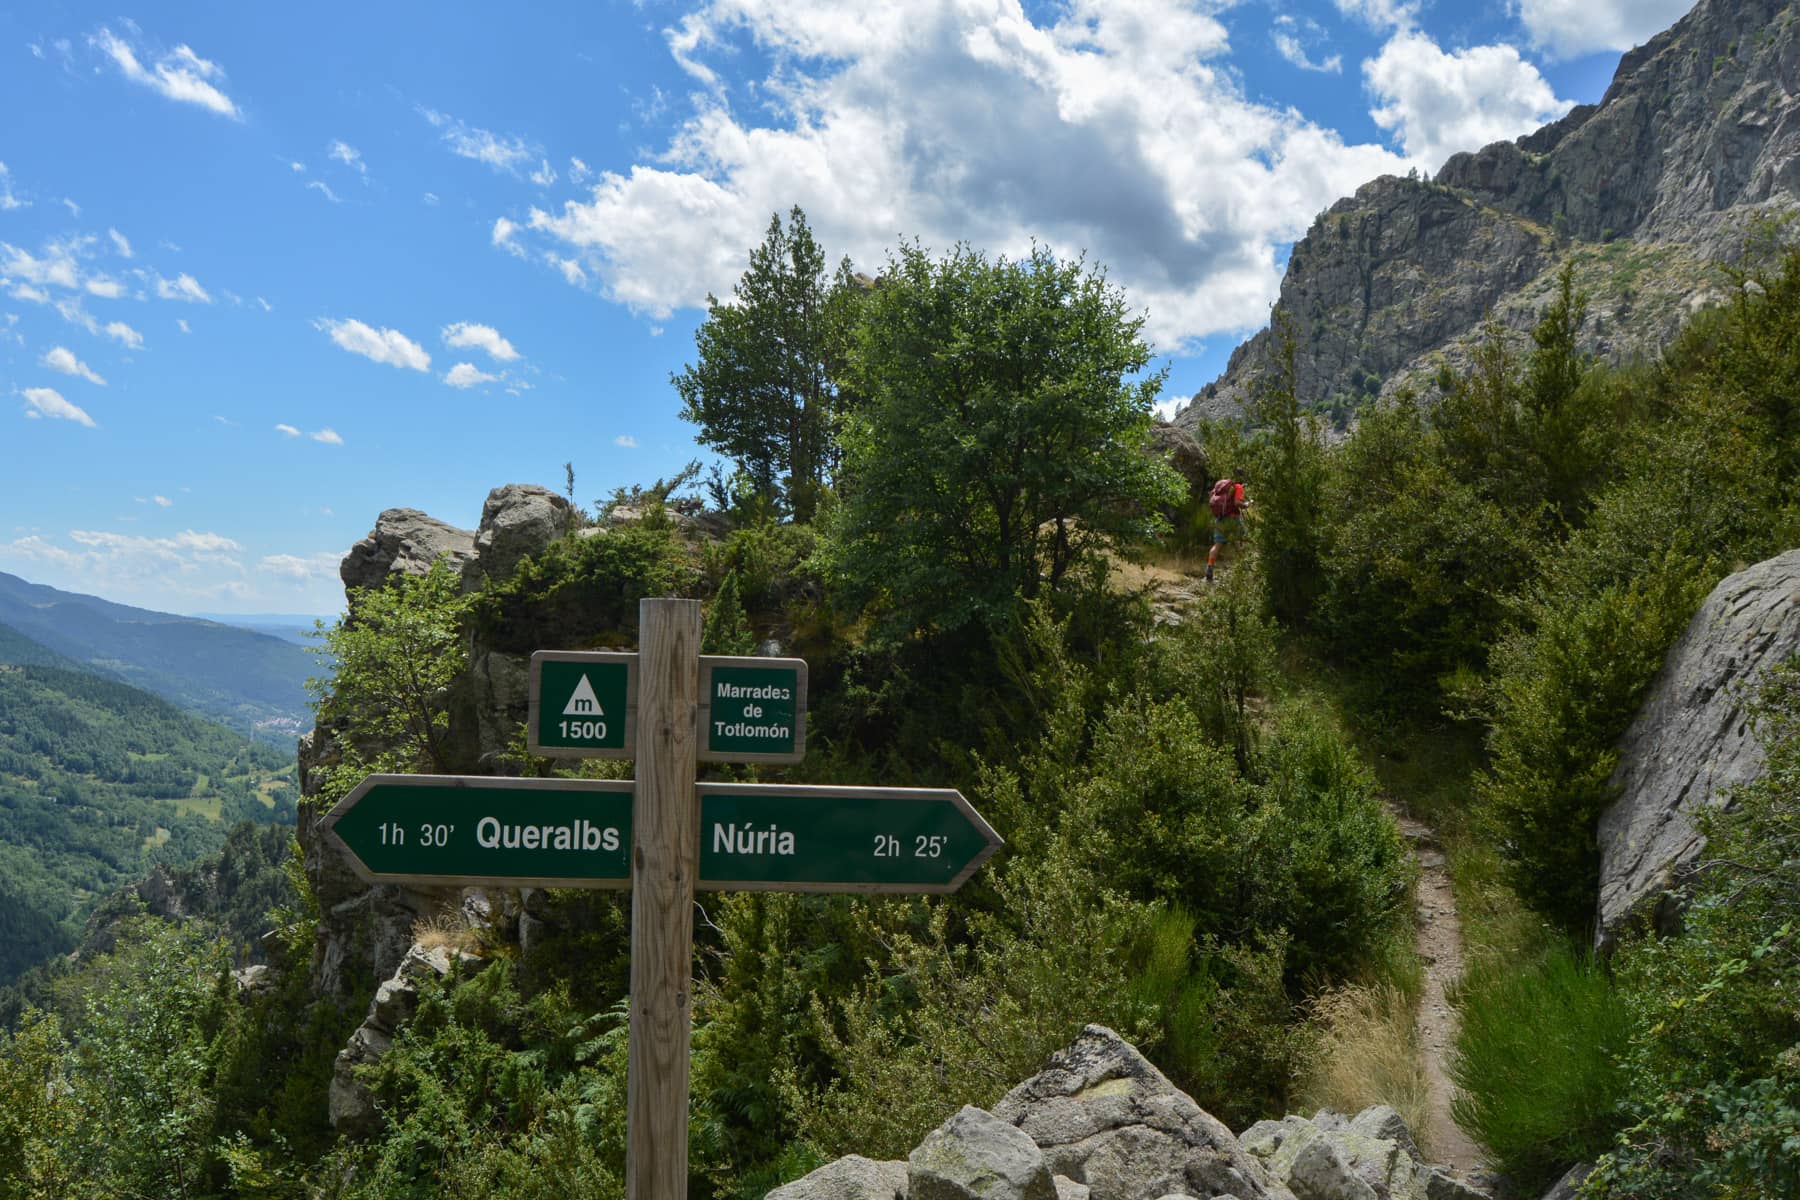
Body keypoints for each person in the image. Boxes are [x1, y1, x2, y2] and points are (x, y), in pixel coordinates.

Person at [1204, 476, 1245, 583]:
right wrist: (1246, 505)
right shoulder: (1238, 486)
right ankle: (1245, 567)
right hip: (1233, 519)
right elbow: (1237, 503)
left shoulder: (1219, 487)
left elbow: (1211, 497)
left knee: (1217, 545)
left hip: (1220, 519)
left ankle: (1209, 566)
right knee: (1239, 542)